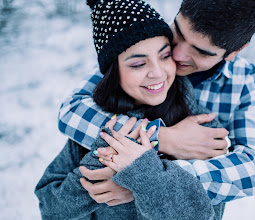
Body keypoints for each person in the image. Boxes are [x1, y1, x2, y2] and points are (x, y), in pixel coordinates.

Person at [60, 0, 255, 213]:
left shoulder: (241, 82)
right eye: (178, 31)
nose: (177, 54)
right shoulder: (146, 39)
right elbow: (71, 111)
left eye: (200, 51)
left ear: (234, 51)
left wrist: (149, 181)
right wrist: (163, 138)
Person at [35, 0, 226, 219]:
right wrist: (102, 160)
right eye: (138, 64)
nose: (157, 73)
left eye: (164, 56)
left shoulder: (202, 129)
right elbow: (51, 210)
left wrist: (143, 177)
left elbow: (207, 215)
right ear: (114, 73)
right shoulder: (101, 125)